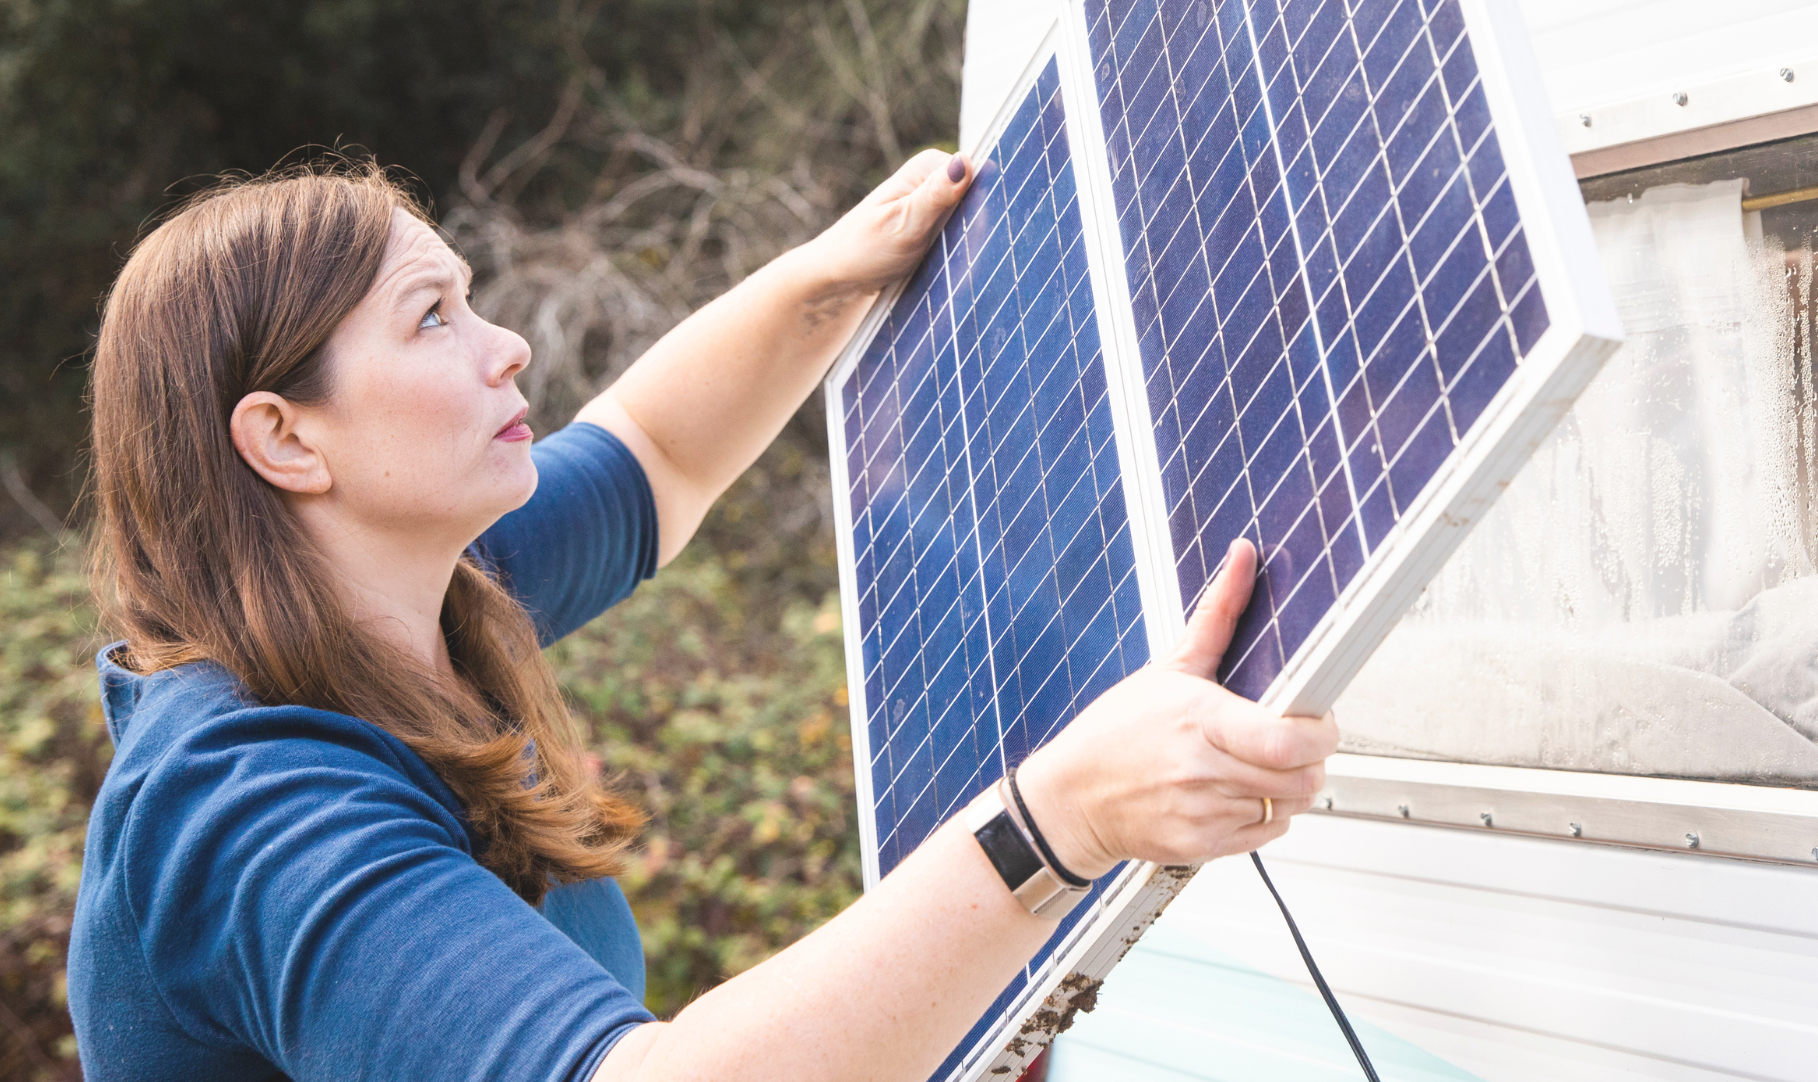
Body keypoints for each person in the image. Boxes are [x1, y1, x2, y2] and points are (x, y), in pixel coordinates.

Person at [67, 154, 1337, 1082]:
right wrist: (1058, 822)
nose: (506, 347)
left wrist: (826, 277)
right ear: (286, 440)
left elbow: (659, 453)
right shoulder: (249, 810)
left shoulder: (415, 584)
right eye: (433, 317)